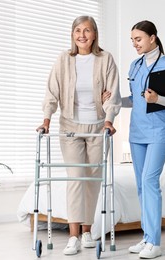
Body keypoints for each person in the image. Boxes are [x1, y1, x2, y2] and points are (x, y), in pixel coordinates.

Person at [36, 16, 121, 256]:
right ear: (72, 34)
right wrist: (46, 120)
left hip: (97, 128)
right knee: (76, 178)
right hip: (70, 128)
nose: (81, 35)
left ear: (94, 34)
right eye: (77, 30)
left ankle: (86, 231)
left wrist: (108, 121)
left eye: (86, 30)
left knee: (93, 180)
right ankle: (73, 236)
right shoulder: (64, 60)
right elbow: (51, 92)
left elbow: (113, 94)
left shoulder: (105, 59)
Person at [124, 20, 165, 259]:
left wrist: (159, 99)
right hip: (137, 132)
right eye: (132, 40)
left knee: (150, 180)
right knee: (141, 185)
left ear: (153, 37)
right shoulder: (135, 65)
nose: (134, 44)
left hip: (159, 132)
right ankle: (147, 237)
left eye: (138, 39)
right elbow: (135, 99)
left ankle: (156, 243)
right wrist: (112, 100)